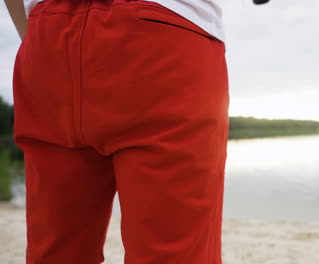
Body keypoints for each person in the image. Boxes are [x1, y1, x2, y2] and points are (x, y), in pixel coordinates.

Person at [5, 0, 230, 263]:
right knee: (172, 255)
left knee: (56, 254)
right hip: (161, 32)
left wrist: (35, 38)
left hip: (47, 36)